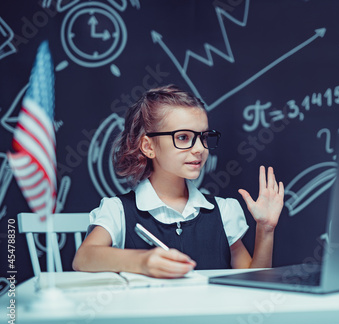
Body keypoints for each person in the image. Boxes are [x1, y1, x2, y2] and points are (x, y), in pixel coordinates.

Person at [72, 85, 284, 278]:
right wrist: (141, 262)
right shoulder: (117, 210)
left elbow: (254, 279)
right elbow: (83, 258)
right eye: (183, 137)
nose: (200, 148)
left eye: (203, 137)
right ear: (148, 147)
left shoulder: (223, 210)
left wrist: (265, 230)